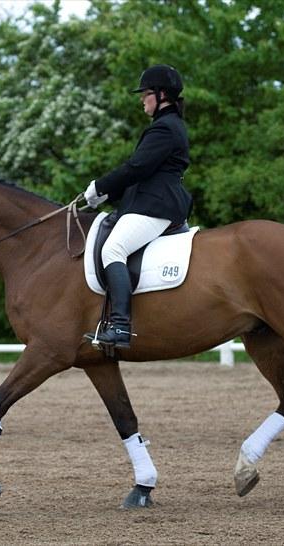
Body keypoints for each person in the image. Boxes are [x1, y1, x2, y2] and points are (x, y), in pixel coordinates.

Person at [84, 64, 192, 349]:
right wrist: (107, 195)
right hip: (150, 202)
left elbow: (136, 168)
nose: (142, 99)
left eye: (146, 93)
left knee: (113, 249)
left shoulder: (165, 129)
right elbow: (140, 174)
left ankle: (120, 327)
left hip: (156, 206)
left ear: (161, 95)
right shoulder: (166, 126)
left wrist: (100, 186)